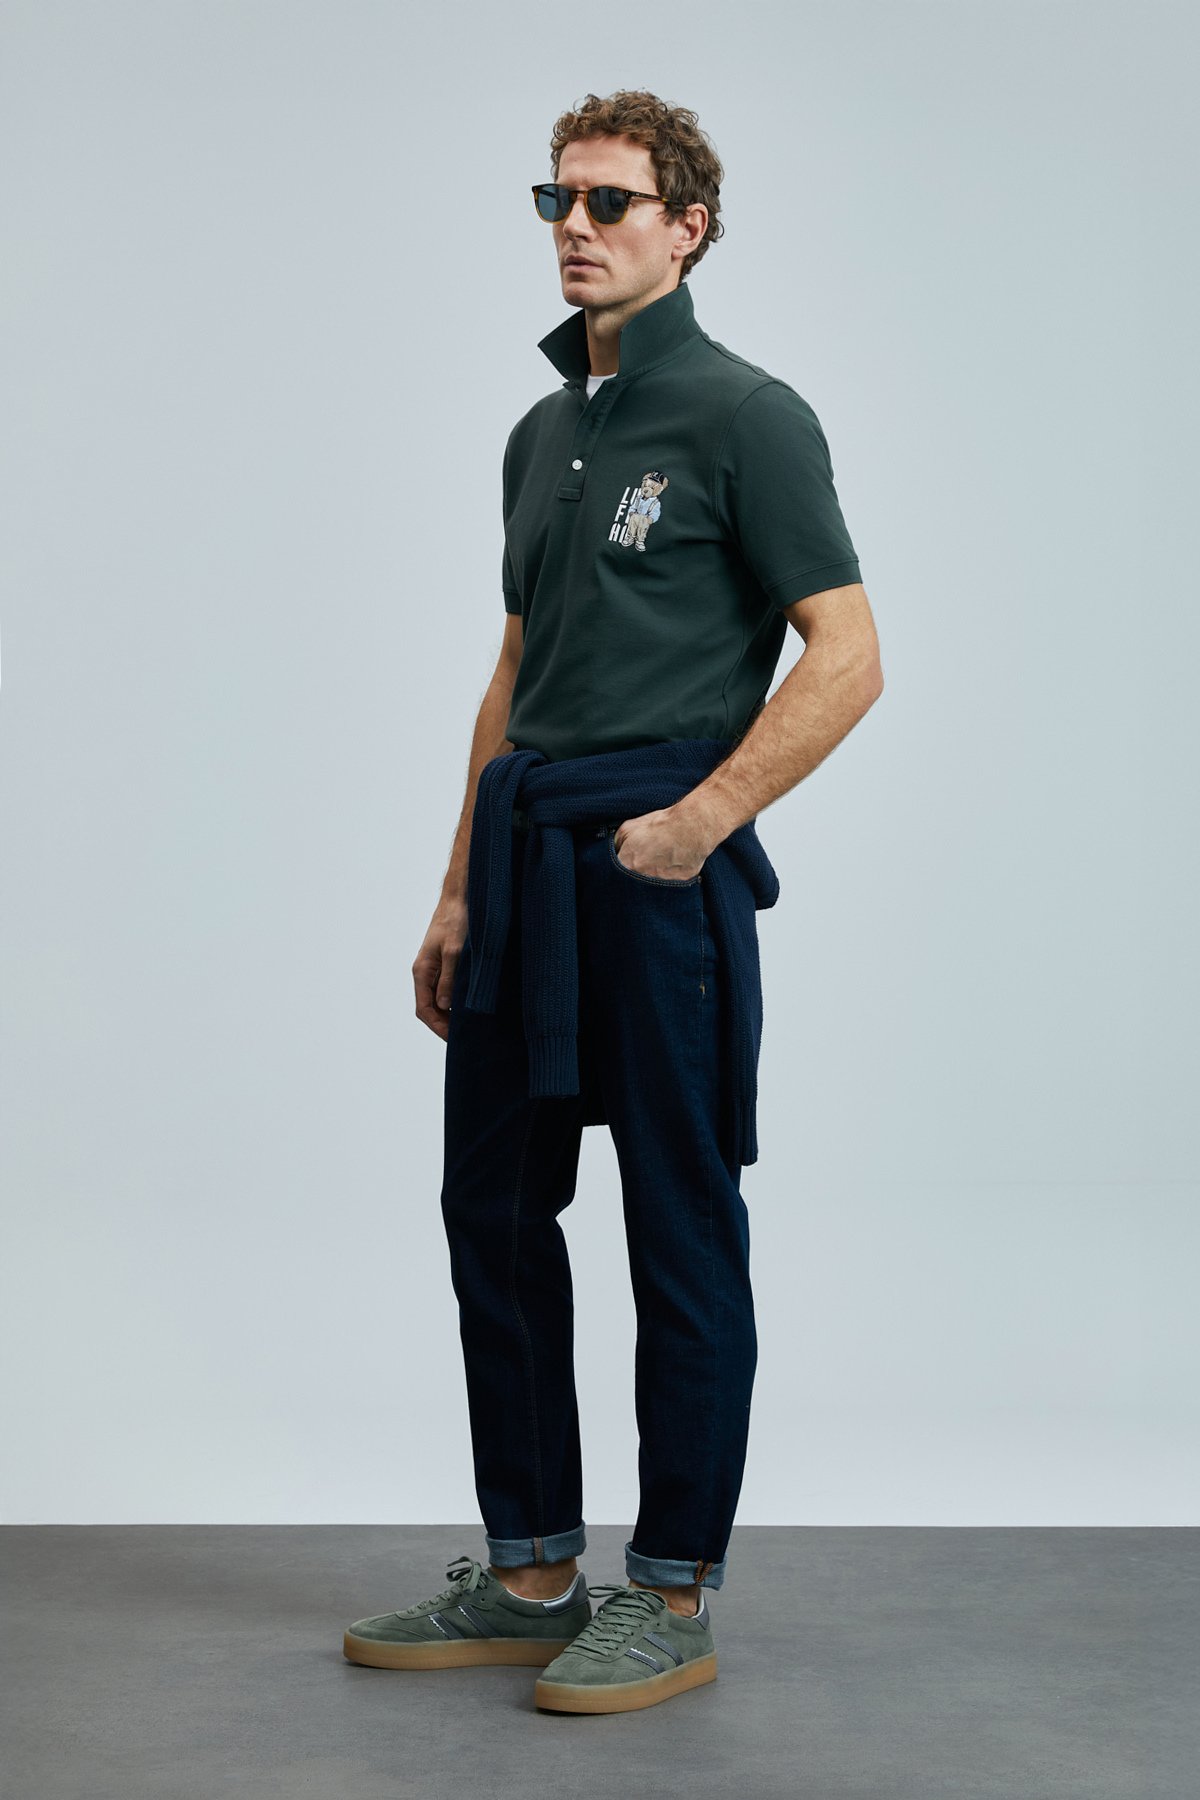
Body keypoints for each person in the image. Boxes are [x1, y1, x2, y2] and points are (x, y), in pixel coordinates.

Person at [343, 88, 883, 1715]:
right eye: (557, 200)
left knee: (678, 1223)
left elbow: (849, 653)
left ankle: (671, 1593)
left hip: (655, 873)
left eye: (610, 202)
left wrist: (702, 820)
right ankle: (530, 1576)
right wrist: (457, 887)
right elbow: (514, 669)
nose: (574, 226)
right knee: (494, 1214)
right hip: (526, 866)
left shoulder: (747, 416)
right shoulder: (542, 434)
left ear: (687, 228)